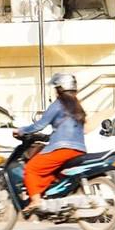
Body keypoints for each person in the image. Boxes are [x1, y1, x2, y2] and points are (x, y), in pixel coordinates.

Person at [14, 73, 87, 213]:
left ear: (60, 89)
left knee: (31, 169)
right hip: (79, 149)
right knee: (51, 172)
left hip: (62, 149)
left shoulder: (58, 105)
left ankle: (36, 200)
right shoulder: (77, 106)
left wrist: (21, 131)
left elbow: (39, 125)